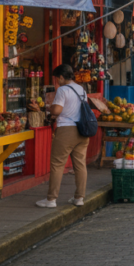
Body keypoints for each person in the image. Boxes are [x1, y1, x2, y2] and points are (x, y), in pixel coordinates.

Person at [35, 65, 91, 209]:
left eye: (57, 78)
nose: (57, 82)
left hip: (66, 130)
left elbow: (58, 110)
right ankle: (79, 197)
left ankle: (51, 199)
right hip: (82, 131)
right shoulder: (81, 89)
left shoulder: (62, 90)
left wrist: (49, 107)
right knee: (80, 165)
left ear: (61, 77)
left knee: (57, 164)